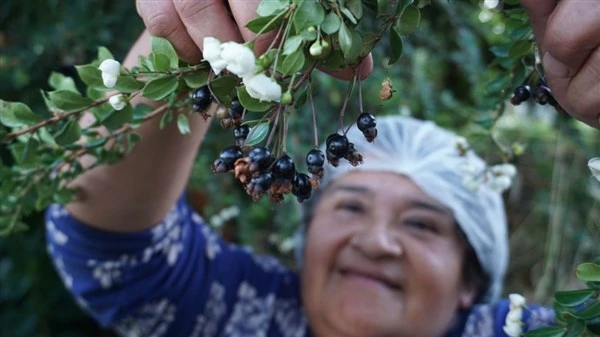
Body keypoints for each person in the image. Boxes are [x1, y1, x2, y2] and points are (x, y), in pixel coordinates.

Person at [44, 1, 599, 336]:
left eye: (423, 224)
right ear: (305, 243)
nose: (378, 241)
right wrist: (196, 39)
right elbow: (110, 248)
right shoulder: (250, 317)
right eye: (351, 206)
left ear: (470, 282)